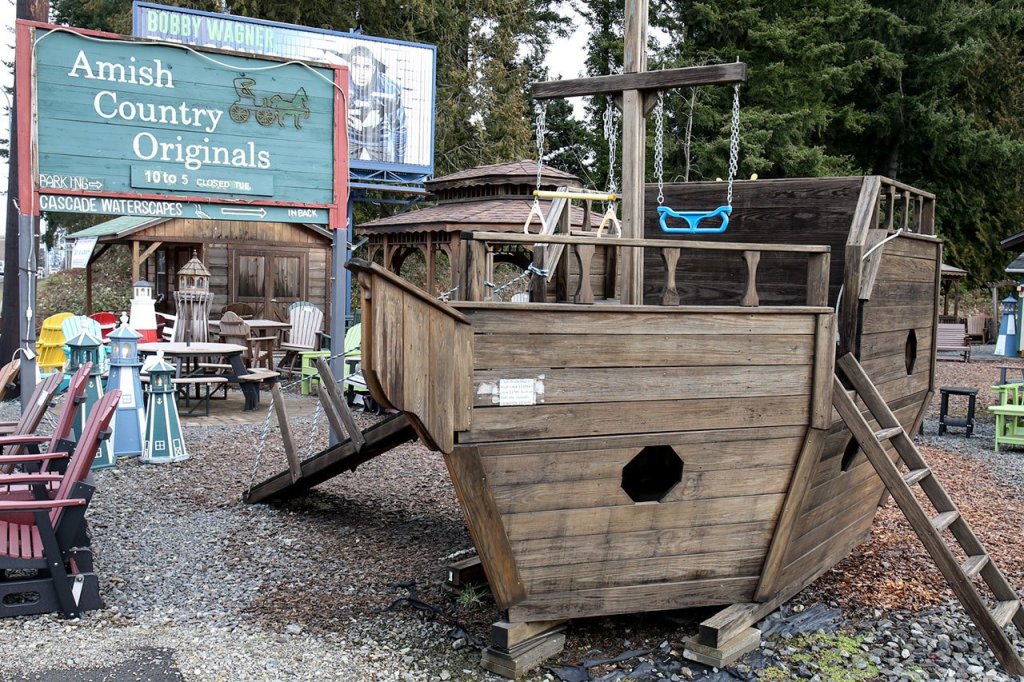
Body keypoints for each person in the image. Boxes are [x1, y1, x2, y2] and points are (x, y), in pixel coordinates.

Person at [343, 45, 408, 164]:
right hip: (349, 134)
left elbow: (399, 128)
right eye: (356, 66)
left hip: (379, 136)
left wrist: (399, 165)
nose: (361, 73)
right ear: (350, 66)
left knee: (386, 171)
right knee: (340, 169)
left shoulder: (388, 89)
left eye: (366, 67)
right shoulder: (340, 82)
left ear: (373, 69)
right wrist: (343, 115)